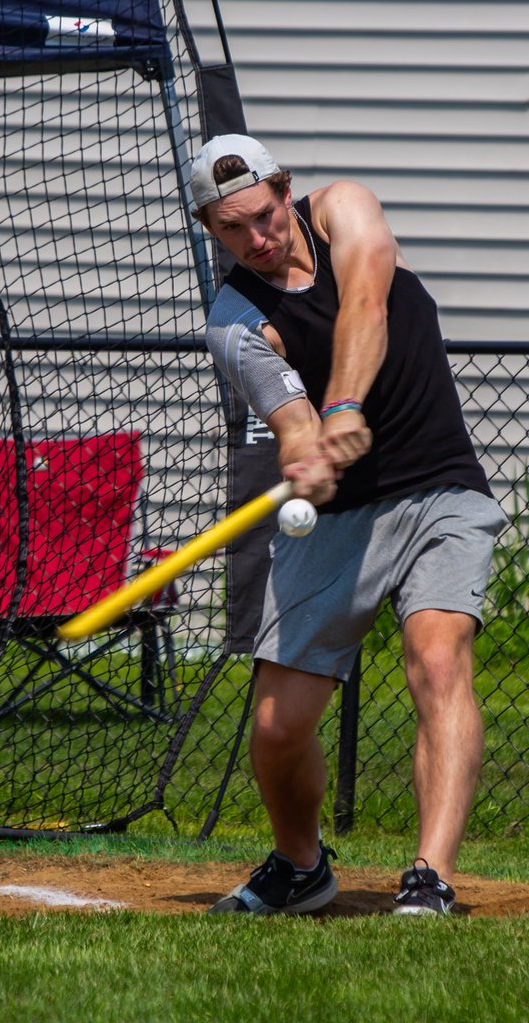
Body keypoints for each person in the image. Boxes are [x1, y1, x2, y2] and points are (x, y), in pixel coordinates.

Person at [192, 134, 505, 917]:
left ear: (284, 189)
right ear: (211, 229)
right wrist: (311, 451)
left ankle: (428, 874)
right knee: (274, 727)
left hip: (440, 485)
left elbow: (368, 298)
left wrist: (343, 407)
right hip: (339, 515)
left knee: (438, 658)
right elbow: (292, 427)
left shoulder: (344, 209)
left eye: (264, 216)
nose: (258, 240)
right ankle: (301, 867)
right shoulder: (232, 321)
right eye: (234, 230)